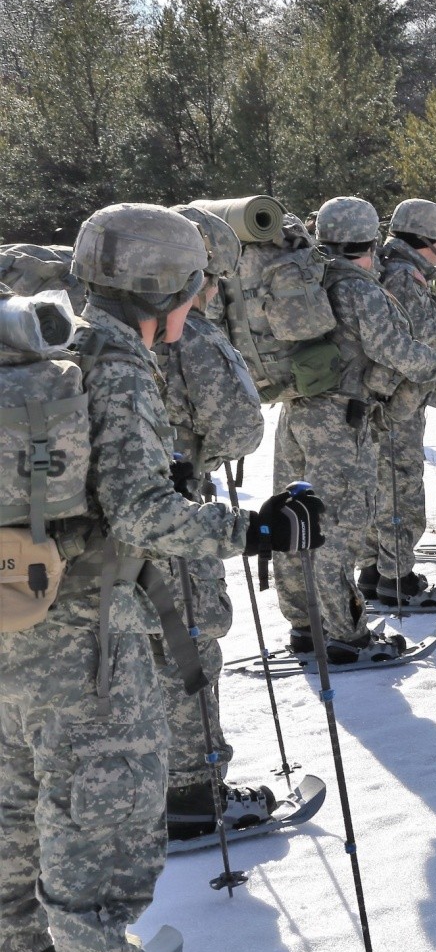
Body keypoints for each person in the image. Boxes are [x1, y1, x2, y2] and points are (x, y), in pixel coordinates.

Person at [0, 203, 283, 952]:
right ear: (168, 291)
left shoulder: (51, 346)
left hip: (16, 609)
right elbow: (139, 508)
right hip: (87, 626)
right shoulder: (117, 364)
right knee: (100, 810)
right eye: (194, 292)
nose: (196, 308)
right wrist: (253, 531)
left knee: (20, 798)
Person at [274, 197, 436, 662]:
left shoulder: (310, 279)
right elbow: (399, 352)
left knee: (295, 519)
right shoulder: (360, 289)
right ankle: (344, 635)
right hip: (341, 419)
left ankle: (305, 625)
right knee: (339, 525)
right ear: (371, 238)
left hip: (297, 412)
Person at [159, 204, 276, 840]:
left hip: (118, 517)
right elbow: (240, 429)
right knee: (190, 640)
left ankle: (152, 780)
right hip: (177, 510)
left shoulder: (105, 330)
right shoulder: (193, 335)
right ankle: (193, 792)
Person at [369, 198, 436, 607]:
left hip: (380, 398)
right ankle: (397, 578)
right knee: (401, 485)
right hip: (398, 402)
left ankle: (376, 570)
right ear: (428, 237)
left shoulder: (385, 267)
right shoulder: (406, 277)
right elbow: (420, 342)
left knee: (381, 485)